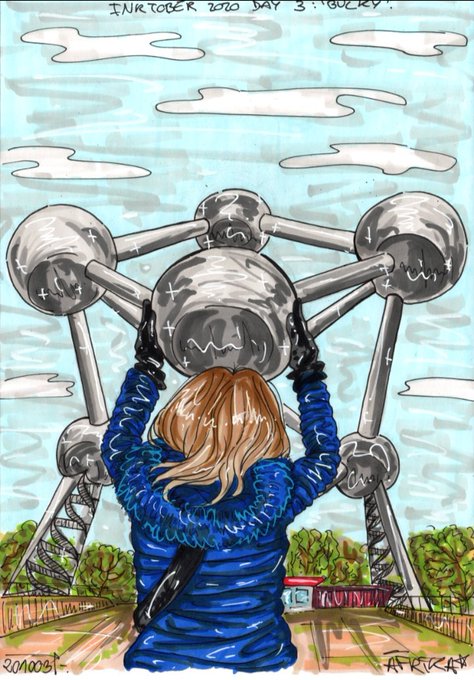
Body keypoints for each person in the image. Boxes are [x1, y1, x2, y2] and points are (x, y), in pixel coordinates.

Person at [101, 298, 340, 672]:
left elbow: (119, 442)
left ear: (181, 415)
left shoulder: (142, 484)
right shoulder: (276, 499)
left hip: (160, 661)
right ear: (265, 428)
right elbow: (325, 457)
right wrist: (308, 374)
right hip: (259, 660)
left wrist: (146, 368)